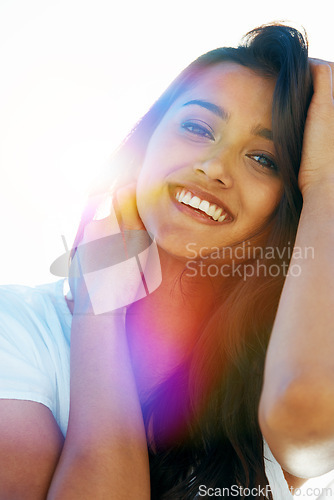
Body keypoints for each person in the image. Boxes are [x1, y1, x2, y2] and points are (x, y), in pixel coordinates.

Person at [0, 22, 333, 499]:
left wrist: (328, 181)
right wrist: (100, 309)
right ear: (145, 145)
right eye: (198, 128)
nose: (214, 167)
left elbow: (311, 413)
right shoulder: (19, 330)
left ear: (293, 199)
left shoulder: (288, 371)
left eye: (264, 159)